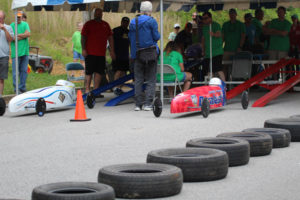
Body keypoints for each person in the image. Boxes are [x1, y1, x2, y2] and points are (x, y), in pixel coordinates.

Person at [128, 1, 160, 111]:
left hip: (137, 54)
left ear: (141, 10)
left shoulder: (133, 22)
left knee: (138, 79)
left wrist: (132, 54)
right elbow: (156, 37)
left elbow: (131, 38)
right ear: (150, 11)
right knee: (151, 79)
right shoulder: (152, 21)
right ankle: (148, 104)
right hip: (150, 53)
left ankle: (138, 104)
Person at [81, 8, 115, 95]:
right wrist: (83, 49)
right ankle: (87, 89)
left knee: (99, 72)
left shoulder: (105, 25)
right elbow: (83, 37)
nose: (98, 15)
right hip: (90, 53)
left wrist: (112, 51)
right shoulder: (88, 24)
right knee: (89, 72)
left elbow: (110, 38)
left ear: (102, 14)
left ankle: (96, 90)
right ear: (94, 14)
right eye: (97, 13)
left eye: (100, 13)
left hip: (101, 53)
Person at [264, 6, 291, 79]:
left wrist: (274, 31)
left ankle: (284, 82)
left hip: (283, 48)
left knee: (283, 66)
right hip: (272, 47)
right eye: (278, 12)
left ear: (285, 13)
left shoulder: (287, 23)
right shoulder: (273, 21)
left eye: (281, 12)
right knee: (273, 66)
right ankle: (274, 81)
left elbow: (284, 34)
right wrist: (279, 31)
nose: (280, 13)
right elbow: (267, 32)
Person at [201, 11, 225, 82]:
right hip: (208, 53)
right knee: (209, 71)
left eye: (206, 18)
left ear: (210, 18)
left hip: (217, 52)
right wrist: (203, 50)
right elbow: (203, 39)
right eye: (203, 19)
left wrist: (213, 34)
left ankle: (224, 86)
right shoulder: (204, 27)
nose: (204, 20)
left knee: (218, 70)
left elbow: (219, 34)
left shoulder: (216, 25)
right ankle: (211, 87)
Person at [222, 9, 246, 79]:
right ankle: (224, 83)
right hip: (227, 49)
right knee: (224, 66)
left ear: (236, 14)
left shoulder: (241, 24)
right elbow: (222, 36)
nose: (232, 15)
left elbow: (243, 36)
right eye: (230, 14)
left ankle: (236, 84)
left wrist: (240, 47)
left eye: (233, 14)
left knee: (237, 67)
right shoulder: (225, 24)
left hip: (237, 49)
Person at [10, 11, 31, 94]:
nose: (18, 18)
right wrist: (23, 35)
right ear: (14, 17)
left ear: (21, 17)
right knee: (15, 72)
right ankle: (16, 89)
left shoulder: (25, 24)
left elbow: (28, 34)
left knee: (24, 71)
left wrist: (18, 35)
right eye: (17, 17)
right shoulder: (11, 26)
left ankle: (22, 87)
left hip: (25, 51)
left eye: (20, 17)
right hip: (16, 52)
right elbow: (13, 38)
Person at [112, 16, 130, 96]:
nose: (125, 23)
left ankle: (119, 87)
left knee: (124, 72)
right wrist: (111, 52)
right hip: (117, 54)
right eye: (124, 22)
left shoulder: (129, 32)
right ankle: (115, 87)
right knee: (118, 71)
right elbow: (110, 41)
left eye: (127, 22)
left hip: (125, 55)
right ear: (121, 22)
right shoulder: (115, 30)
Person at [0, 11, 14, 97]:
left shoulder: (8, 27)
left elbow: (10, 40)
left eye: (0, 18)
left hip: (3, 56)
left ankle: (0, 98)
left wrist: (4, 29)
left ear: (3, 19)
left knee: (1, 78)